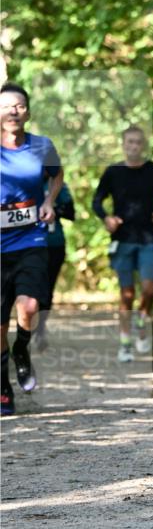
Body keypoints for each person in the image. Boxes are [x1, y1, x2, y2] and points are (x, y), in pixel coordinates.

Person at [1, 82, 63, 416]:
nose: (13, 110)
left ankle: (22, 351)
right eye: (7, 105)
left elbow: (56, 175)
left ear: (27, 111)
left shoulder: (42, 146)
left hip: (30, 239)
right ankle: (3, 387)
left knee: (29, 306)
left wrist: (49, 201)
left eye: (19, 105)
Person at [92, 126, 153, 362]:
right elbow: (97, 200)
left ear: (143, 146)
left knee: (148, 289)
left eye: (138, 142)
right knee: (126, 294)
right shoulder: (113, 172)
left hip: (148, 238)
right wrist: (106, 218)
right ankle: (126, 342)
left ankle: (142, 320)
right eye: (130, 142)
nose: (134, 146)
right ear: (123, 145)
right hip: (122, 240)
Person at [34, 180, 75, 351]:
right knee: (29, 289)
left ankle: (40, 329)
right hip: (27, 246)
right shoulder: (20, 179)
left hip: (54, 244)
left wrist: (51, 209)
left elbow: (71, 213)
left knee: (46, 289)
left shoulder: (58, 186)